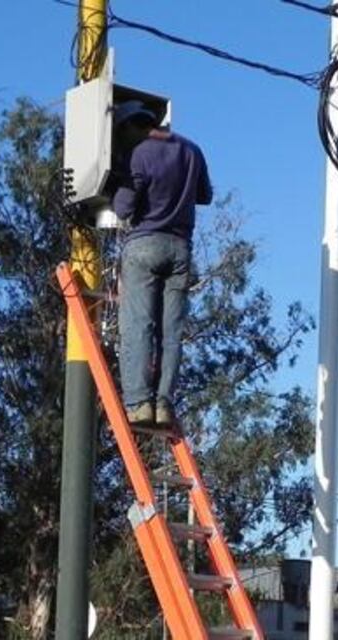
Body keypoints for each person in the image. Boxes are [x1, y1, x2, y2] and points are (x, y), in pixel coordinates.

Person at [111, 100, 212, 426]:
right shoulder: (191, 150)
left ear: (131, 126)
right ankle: (164, 403)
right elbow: (205, 195)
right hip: (180, 249)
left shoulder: (138, 153)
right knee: (171, 331)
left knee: (138, 325)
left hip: (144, 245)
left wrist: (116, 187)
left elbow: (125, 208)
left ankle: (140, 402)